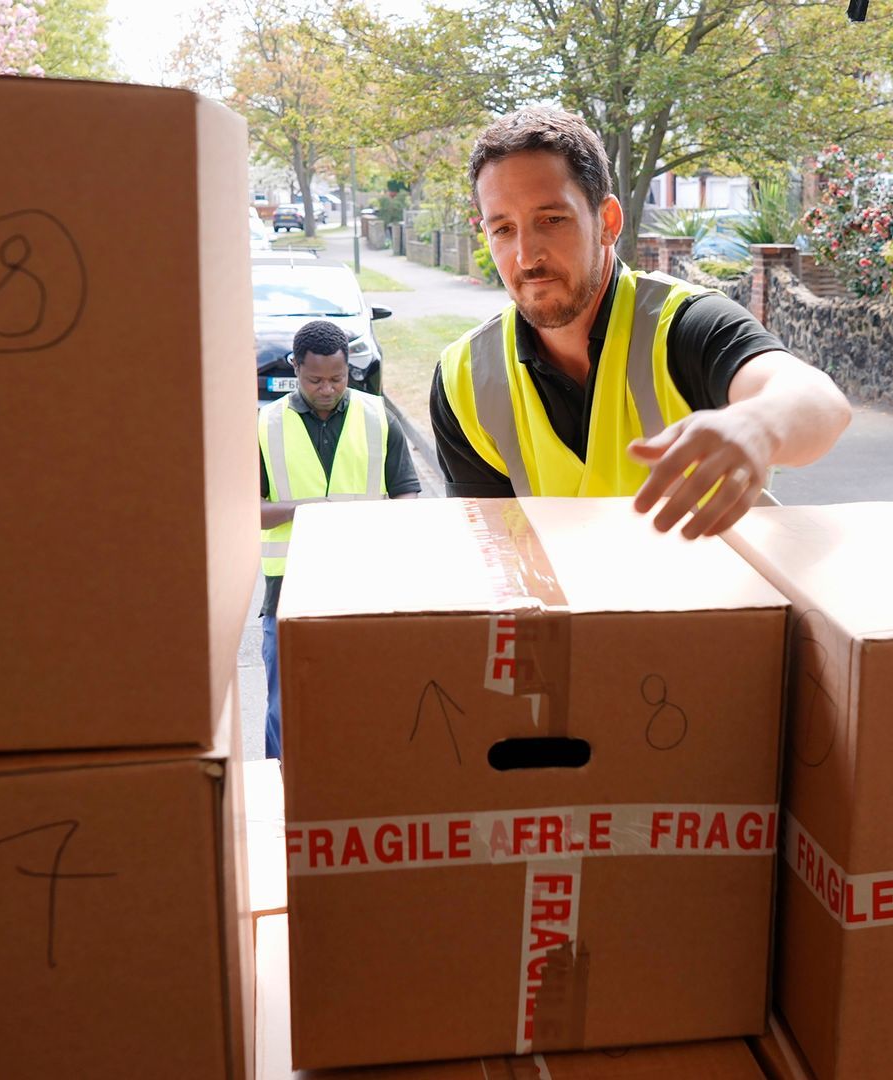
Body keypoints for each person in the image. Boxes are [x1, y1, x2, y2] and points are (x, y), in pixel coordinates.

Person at [429, 107, 849, 539]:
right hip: (560, 603)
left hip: (711, 602)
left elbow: (820, 401)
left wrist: (758, 426)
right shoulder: (466, 377)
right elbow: (497, 551)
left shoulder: (685, 323)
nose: (526, 256)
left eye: (552, 220)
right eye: (503, 229)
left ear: (607, 222)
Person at [260, 320, 420, 758]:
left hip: (365, 588)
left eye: (337, 378)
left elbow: (407, 492)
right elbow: (246, 512)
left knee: (366, 702)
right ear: (296, 368)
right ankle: (280, 797)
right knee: (284, 709)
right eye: (315, 380)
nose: (327, 388)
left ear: (350, 368)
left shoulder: (378, 417)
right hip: (287, 591)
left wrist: (378, 521)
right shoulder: (266, 425)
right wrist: (313, 512)